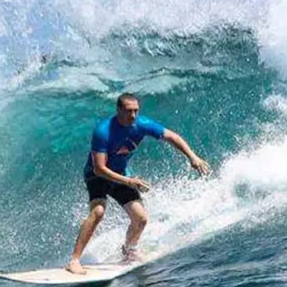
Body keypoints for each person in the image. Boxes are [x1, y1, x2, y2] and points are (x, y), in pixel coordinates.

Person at [66, 93, 211, 274]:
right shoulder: (103, 131)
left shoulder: (142, 124)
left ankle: (129, 251)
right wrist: (129, 181)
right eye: (128, 111)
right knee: (98, 212)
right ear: (118, 110)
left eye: (136, 111)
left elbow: (172, 136)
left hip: (120, 175)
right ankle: (74, 260)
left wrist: (192, 157)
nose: (133, 115)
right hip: (97, 176)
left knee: (140, 218)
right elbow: (99, 169)